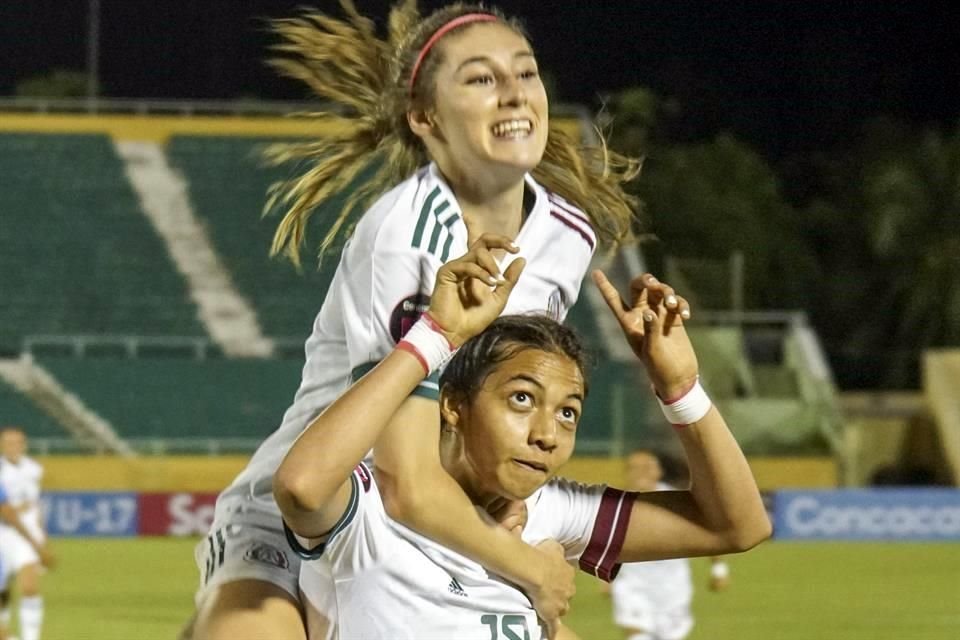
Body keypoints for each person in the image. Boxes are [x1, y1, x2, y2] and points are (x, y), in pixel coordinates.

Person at [189, 2, 644, 638]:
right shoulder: (408, 235)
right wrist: (529, 568)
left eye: (526, 72)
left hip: (431, 525)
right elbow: (402, 476)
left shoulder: (569, 235)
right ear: (425, 117)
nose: (515, 93)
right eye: (481, 79)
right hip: (312, 511)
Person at [274, 244, 772, 639]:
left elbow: (737, 526)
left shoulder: (550, 511)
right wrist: (434, 337)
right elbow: (300, 486)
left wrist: (681, 390)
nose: (546, 435)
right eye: (521, 399)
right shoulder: (371, 502)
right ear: (454, 405)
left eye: (568, 412)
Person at [605, 449, 731, 640]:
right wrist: (605, 578)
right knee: (636, 634)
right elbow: (605, 544)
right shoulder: (617, 504)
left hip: (672, 586)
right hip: (633, 585)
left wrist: (719, 570)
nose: (641, 473)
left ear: (658, 472)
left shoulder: (676, 501)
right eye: (635, 468)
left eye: (647, 467)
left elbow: (706, 533)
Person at [0, 427, 54, 640]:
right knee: (3, 590)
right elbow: (7, 511)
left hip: (27, 531)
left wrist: (42, 536)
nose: (13, 447)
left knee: (30, 587)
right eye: (8, 442)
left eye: (17, 442)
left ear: (24, 445)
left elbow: (35, 503)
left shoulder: (34, 469)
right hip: (4, 531)